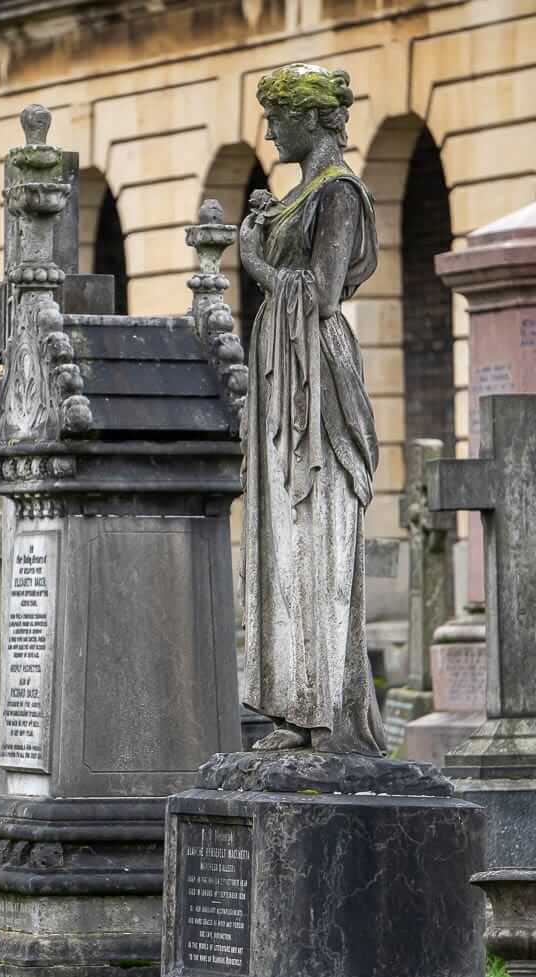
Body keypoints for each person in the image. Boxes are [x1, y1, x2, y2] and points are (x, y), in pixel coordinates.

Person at [239, 62, 386, 755]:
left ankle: (327, 708)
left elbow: (322, 294)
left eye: (277, 119)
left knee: (318, 531)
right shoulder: (300, 195)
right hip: (282, 363)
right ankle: (292, 706)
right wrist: (268, 232)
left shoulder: (340, 195)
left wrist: (257, 264)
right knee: (286, 537)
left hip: (316, 376)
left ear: (309, 120)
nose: (268, 131)